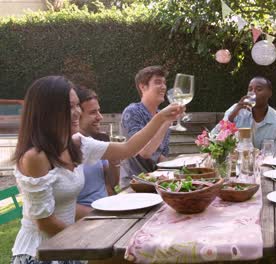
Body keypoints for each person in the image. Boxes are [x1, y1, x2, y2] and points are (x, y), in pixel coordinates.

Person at [11, 76, 183, 264]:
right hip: (41, 252)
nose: (77, 112)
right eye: (69, 107)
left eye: (77, 105)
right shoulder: (35, 157)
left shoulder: (77, 143)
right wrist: (94, 240)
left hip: (70, 244)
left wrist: (161, 117)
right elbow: (44, 222)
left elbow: (128, 149)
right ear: (47, 112)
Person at [120, 66, 172, 188]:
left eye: (164, 83)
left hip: (156, 183)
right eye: (158, 82)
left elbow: (160, 158)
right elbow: (144, 152)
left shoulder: (162, 115)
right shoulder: (133, 112)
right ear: (143, 87)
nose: (163, 87)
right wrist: (165, 121)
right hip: (133, 185)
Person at [74, 86, 119, 219]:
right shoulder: (66, 148)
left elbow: (112, 183)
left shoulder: (92, 141)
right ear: (77, 114)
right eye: (93, 112)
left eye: (99, 111)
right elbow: (62, 207)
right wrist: (106, 216)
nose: (100, 117)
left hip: (106, 209)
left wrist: (114, 161)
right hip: (88, 220)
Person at [213, 76, 276, 152]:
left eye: (259, 89)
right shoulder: (235, 110)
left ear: (269, 93)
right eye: (250, 89)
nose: (253, 93)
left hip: (265, 163)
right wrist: (231, 117)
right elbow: (213, 138)